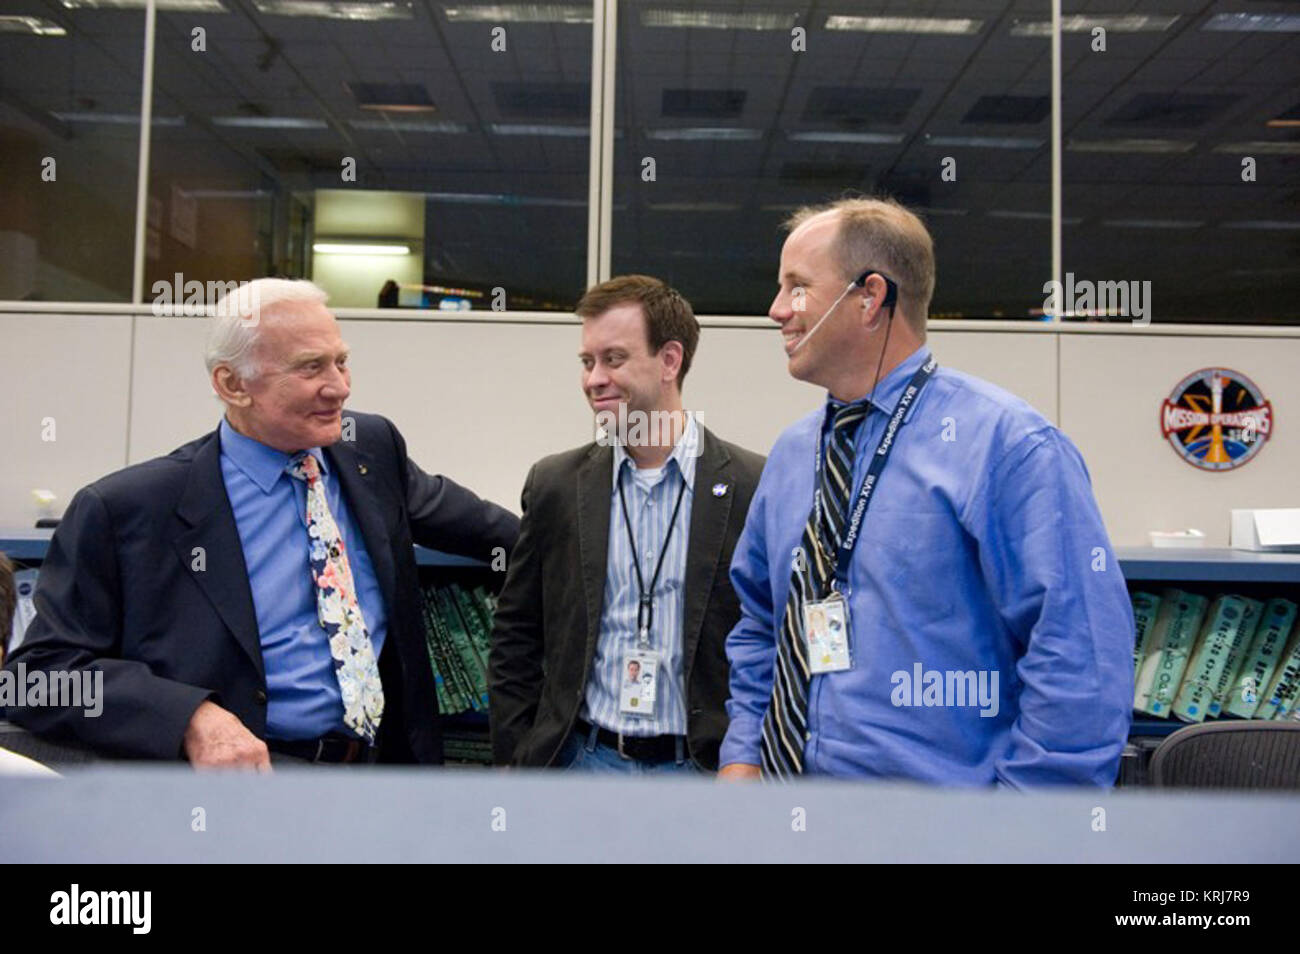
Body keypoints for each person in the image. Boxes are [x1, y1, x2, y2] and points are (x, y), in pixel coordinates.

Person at [3, 279, 519, 767]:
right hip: (238, 791)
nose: (338, 388)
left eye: (342, 362)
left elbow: (495, 534)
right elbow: (37, 678)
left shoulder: (370, 450)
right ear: (232, 384)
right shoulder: (127, 509)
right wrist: (188, 716)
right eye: (311, 367)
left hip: (382, 781)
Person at [719, 198, 1134, 787]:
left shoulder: (1009, 447)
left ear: (870, 298)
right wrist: (744, 754)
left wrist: (1023, 828)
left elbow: (1079, 655)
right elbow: (761, 620)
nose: (776, 310)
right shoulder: (792, 454)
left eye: (798, 288)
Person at [489, 275, 765, 773]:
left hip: (702, 770)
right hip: (583, 763)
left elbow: (771, 639)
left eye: (613, 359)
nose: (594, 378)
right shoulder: (556, 485)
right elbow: (516, 636)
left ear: (670, 360)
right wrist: (517, 757)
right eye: (587, 362)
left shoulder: (753, 485)